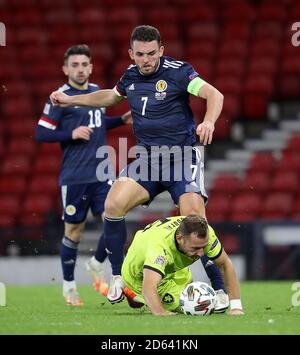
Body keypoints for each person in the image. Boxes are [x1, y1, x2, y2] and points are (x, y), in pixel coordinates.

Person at [50, 25, 228, 312]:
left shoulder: (180, 72)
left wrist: (208, 121)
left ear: (161, 50)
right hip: (147, 159)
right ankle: (118, 277)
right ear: (131, 54)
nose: (146, 60)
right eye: (140, 55)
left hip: (181, 157)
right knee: (113, 204)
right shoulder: (130, 76)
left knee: (194, 217)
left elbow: (214, 95)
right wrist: (71, 100)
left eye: (151, 54)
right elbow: (109, 97)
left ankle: (219, 290)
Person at [35, 44, 131, 306]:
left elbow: (98, 122)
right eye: (74, 65)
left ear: (91, 67)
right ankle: (68, 287)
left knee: (115, 217)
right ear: (65, 69)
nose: (80, 69)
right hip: (75, 177)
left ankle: (101, 265)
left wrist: (120, 120)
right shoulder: (59, 97)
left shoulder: (96, 93)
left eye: (84, 64)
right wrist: (71, 134)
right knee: (74, 231)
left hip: (102, 173)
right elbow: (41, 133)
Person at [122, 215, 244, 316]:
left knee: (190, 294)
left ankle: (138, 297)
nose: (201, 254)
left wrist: (236, 307)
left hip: (172, 265)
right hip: (139, 276)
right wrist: (161, 313)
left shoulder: (205, 234)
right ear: (179, 238)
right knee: (194, 306)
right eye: (195, 248)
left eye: (203, 247)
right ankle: (131, 292)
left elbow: (225, 264)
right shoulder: (159, 249)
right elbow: (148, 287)